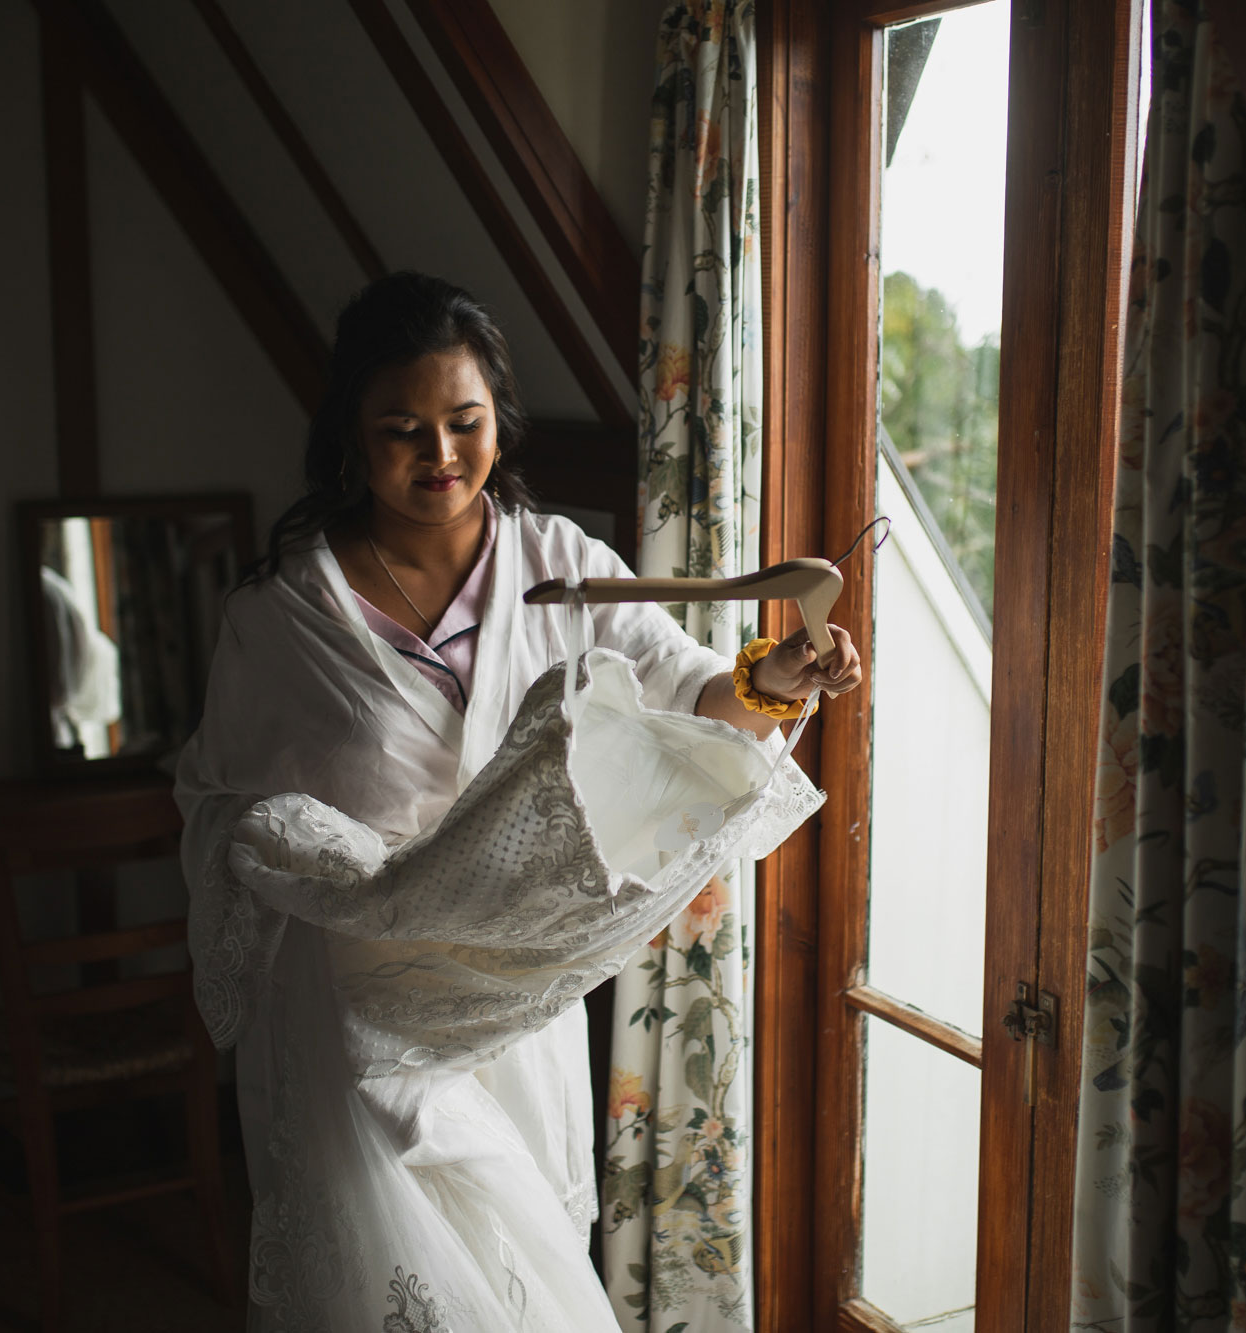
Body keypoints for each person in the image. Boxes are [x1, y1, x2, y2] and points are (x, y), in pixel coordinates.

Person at [174, 272, 862, 1331]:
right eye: (403, 429)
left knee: (520, 1284)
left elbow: (693, 695)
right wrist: (311, 856)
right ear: (351, 437)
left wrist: (776, 681)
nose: (440, 456)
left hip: (504, 1005)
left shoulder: (563, 567)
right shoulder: (282, 619)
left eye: (464, 423)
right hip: (353, 1018)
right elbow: (218, 800)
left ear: (499, 420)